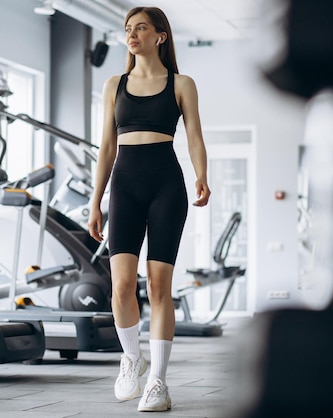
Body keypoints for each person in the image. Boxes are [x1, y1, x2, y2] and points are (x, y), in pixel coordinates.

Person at [87, 6, 210, 413]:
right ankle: (132, 358)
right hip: (124, 183)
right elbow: (106, 148)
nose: (131, 35)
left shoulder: (181, 83)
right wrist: (95, 201)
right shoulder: (114, 84)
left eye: (141, 28)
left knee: (159, 287)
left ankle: (157, 382)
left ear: (160, 36)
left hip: (165, 185)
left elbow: (194, 135)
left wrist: (201, 176)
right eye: (128, 29)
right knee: (121, 286)